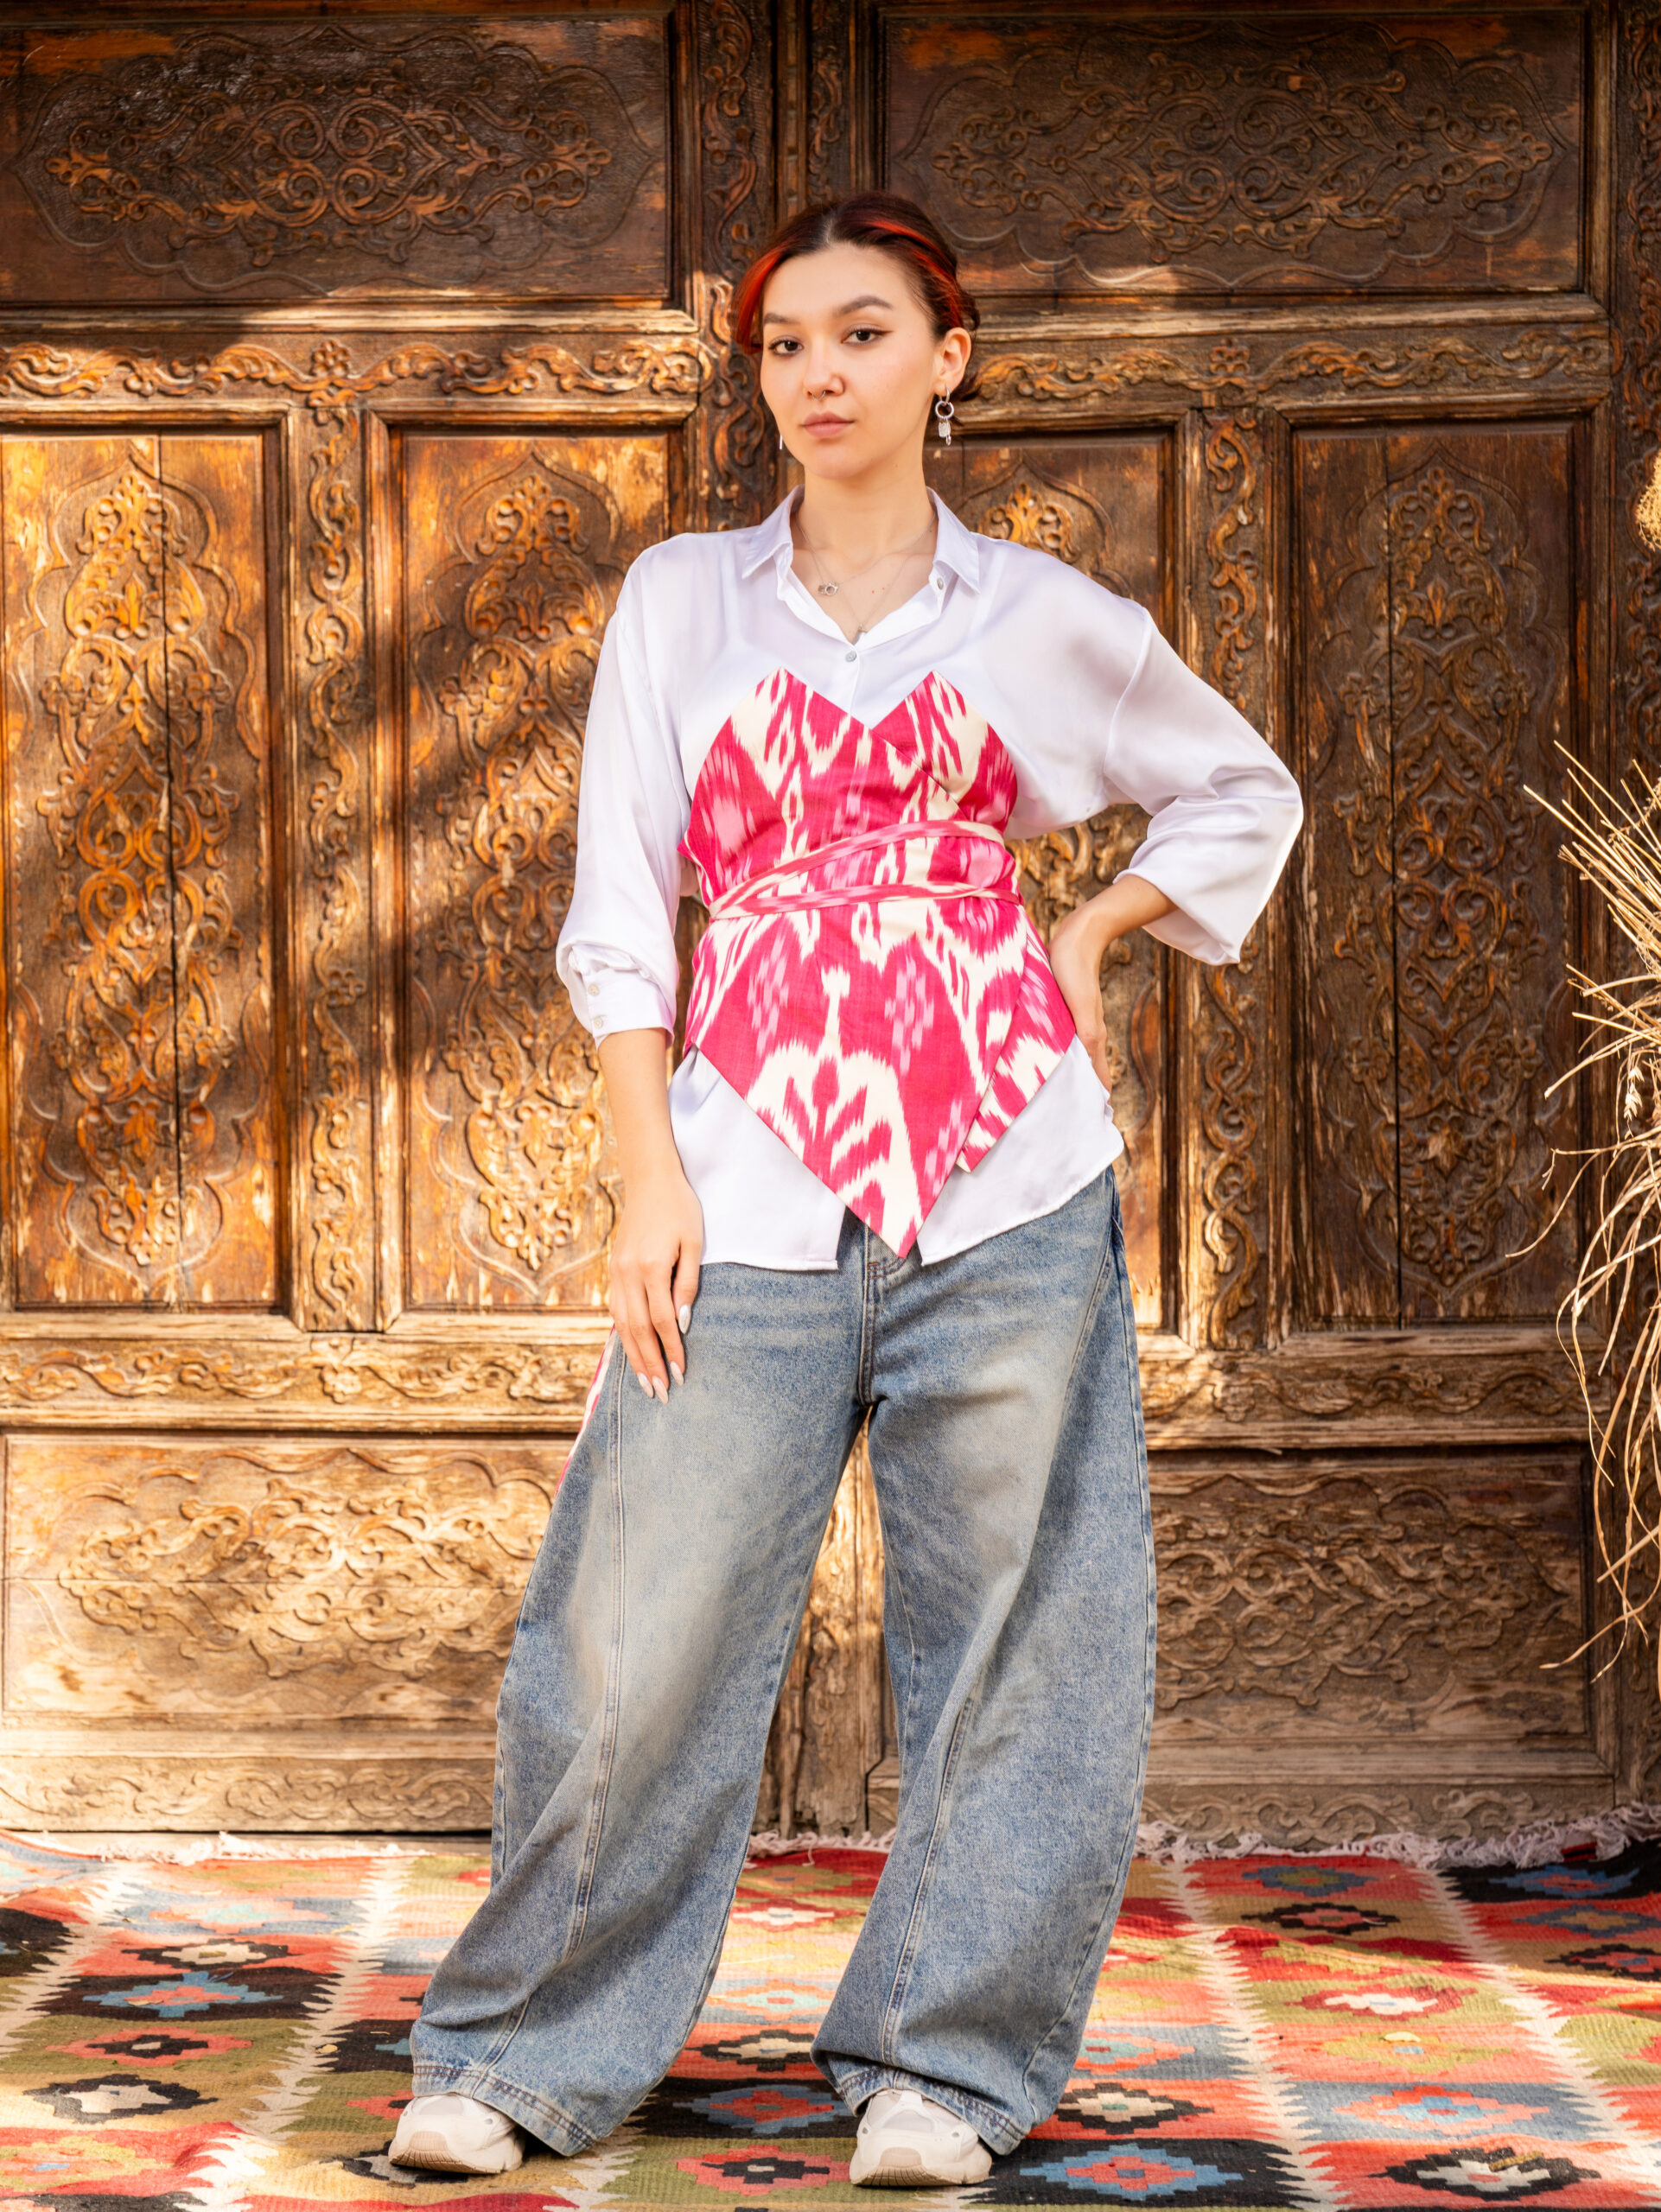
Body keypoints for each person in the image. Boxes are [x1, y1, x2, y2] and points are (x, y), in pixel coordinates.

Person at [390, 192, 1301, 2189]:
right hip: (743, 1183)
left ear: (947, 358)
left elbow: (1244, 785)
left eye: (863, 332)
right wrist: (645, 1173)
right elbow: (619, 905)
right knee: (635, 1630)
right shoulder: (682, 601)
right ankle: (525, 2052)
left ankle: (940, 2070)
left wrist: (1092, 934)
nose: (818, 373)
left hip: (1013, 1178)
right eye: (786, 342)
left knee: (1024, 1639)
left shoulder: (1042, 617)